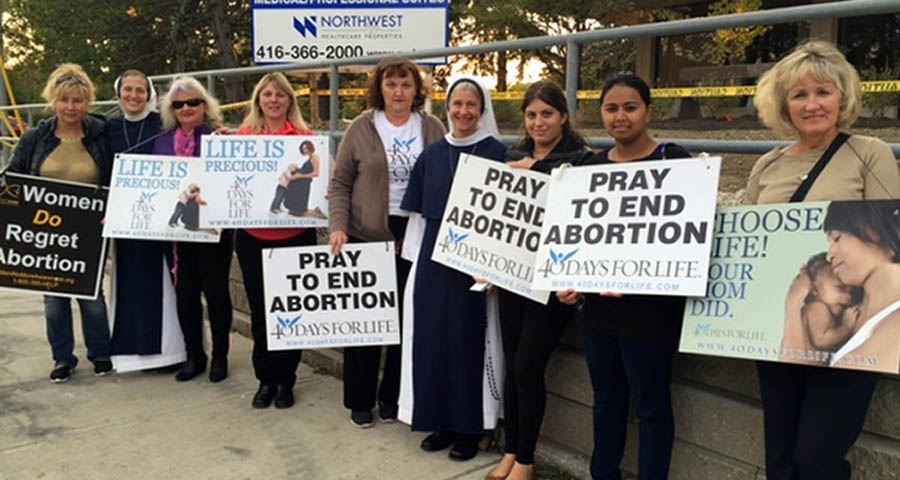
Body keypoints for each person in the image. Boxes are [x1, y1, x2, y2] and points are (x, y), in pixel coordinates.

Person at [746, 41, 900, 480]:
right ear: (784, 105)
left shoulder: (870, 154)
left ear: (843, 97)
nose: (812, 104)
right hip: (779, 332)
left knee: (817, 462)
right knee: (779, 459)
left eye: (823, 92)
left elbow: (891, 240)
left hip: (851, 335)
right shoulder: (766, 166)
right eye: (799, 95)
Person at [557, 73, 691, 480]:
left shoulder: (673, 161)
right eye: (611, 108)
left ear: (648, 112)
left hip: (651, 315)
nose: (620, 116)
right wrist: (568, 280)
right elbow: (577, 236)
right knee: (607, 400)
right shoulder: (590, 167)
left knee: (651, 407)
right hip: (599, 314)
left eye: (630, 107)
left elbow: (685, 236)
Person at [329, 57, 445, 428]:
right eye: (391, 84)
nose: (398, 91)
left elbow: (449, 173)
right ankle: (360, 400)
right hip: (368, 233)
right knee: (365, 324)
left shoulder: (432, 127)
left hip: (415, 234)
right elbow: (341, 182)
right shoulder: (361, 127)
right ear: (379, 88)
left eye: (406, 84)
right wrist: (338, 226)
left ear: (417, 90)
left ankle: (392, 396)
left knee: (404, 323)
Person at [400, 76, 507, 461]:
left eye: (471, 105)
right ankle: (439, 420)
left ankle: (469, 427)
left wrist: (497, 270)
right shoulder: (430, 155)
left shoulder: (497, 153)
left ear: (482, 109)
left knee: (468, 344)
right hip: (432, 262)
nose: (463, 111)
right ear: (447, 107)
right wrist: (416, 269)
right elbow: (418, 219)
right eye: (457, 104)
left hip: (477, 266)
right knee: (433, 342)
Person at [486, 81, 589, 480]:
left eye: (547, 113)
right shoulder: (513, 156)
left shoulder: (581, 160)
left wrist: (539, 169)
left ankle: (526, 462)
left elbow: (579, 204)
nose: (539, 122)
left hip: (554, 281)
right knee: (513, 365)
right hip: (514, 276)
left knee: (529, 366)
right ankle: (512, 451)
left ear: (563, 116)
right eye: (531, 115)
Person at [8, 63, 113, 383]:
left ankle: (100, 353)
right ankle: (63, 357)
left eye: (79, 100)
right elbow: (13, 179)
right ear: (53, 100)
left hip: (90, 230)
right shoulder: (35, 138)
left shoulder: (101, 134)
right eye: (65, 100)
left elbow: (117, 172)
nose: (71, 106)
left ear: (88, 103)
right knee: (54, 299)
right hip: (46, 232)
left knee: (92, 297)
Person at [235, 72, 318, 409]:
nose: (273, 100)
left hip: (295, 235)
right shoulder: (244, 136)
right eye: (267, 94)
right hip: (254, 237)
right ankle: (265, 379)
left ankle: (286, 380)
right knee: (260, 311)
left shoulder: (304, 137)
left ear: (289, 100)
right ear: (259, 100)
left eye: (279, 95)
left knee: (290, 310)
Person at [153, 76, 233, 383]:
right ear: (171, 108)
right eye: (178, 104)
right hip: (176, 234)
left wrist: (233, 145)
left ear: (204, 104)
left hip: (212, 229)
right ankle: (193, 354)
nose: (186, 108)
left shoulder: (218, 137)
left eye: (192, 102)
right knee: (184, 294)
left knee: (216, 293)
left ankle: (221, 355)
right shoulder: (161, 141)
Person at [106, 69, 186, 373]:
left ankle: (170, 352)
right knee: (128, 285)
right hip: (125, 221)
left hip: (158, 221)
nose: (134, 96)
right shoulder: (108, 127)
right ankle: (131, 353)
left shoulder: (163, 124)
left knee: (162, 284)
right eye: (128, 89)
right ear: (119, 92)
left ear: (149, 93)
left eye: (140, 90)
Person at [798, 252, 860, 352]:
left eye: (851, 292)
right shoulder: (817, 308)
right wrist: (846, 327)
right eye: (841, 288)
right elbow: (821, 340)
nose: (848, 296)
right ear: (814, 289)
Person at [283, 140, 323, 218]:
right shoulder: (310, 158)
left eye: (306, 148)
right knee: (293, 210)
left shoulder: (315, 157)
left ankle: (318, 214)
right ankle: (315, 212)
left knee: (299, 211)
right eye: (303, 149)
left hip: (303, 183)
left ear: (310, 147)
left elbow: (316, 173)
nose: (305, 150)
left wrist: (300, 176)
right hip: (300, 183)